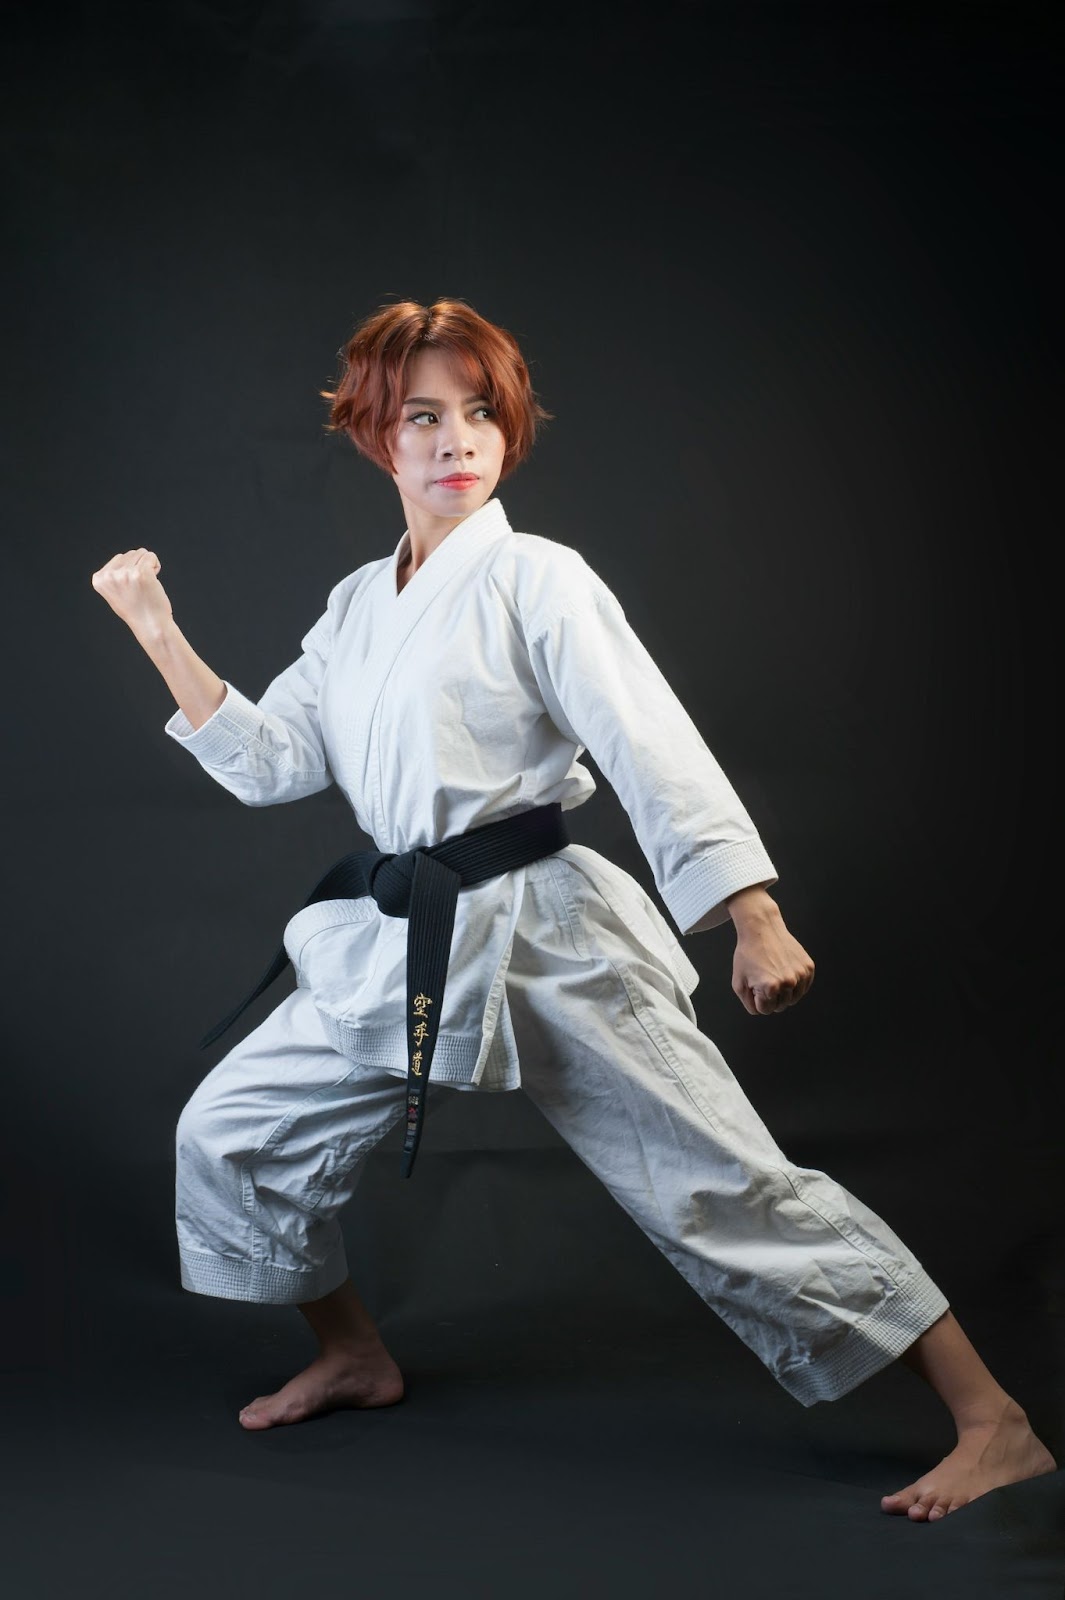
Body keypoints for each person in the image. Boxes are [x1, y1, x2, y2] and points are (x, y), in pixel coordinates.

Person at [90, 297, 1056, 1520]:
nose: (457, 440)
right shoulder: (355, 604)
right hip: (404, 940)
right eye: (424, 417)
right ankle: (351, 1351)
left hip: (548, 937)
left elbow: (647, 740)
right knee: (230, 1130)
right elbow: (275, 759)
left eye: (480, 412)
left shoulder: (539, 577)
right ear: (374, 438)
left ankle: (994, 1420)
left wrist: (750, 912)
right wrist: (159, 632)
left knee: (725, 1188)